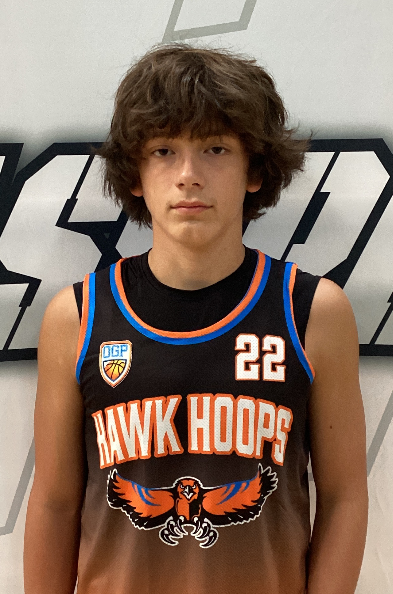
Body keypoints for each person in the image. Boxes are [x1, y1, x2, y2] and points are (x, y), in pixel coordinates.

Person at [24, 42, 368, 594]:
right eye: (163, 150)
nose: (188, 175)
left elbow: (345, 495)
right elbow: (55, 503)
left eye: (215, 148)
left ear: (254, 169)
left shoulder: (312, 311)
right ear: (134, 174)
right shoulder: (78, 316)